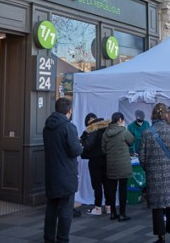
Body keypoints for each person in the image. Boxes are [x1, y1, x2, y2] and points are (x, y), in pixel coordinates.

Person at [139, 103, 170, 243]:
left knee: (157, 208)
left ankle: (161, 238)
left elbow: (142, 158)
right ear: (166, 114)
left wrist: (149, 168)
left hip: (153, 175)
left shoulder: (147, 133)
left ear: (153, 114)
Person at [43, 97, 83, 243]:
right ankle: (62, 239)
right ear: (69, 111)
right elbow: (75, 150)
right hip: (66, 174)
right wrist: (80, 145)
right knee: (66, 211)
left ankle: (48, 238)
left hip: (52, 173)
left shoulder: (47, 127)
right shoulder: (68, 127)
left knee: (51, 209)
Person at [102, 112, 135, 221]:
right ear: (120, 120)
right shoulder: (124, 131)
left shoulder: (106, 133)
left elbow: (103, 149)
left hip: (111, 165)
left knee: (112, 190)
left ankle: (113, 213)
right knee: (122, 190)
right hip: (123, 166)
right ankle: (122, 214)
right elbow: (132, 140)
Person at [80, 112, 110, 215]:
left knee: (97, 185)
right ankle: (108, 207)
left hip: (95, 160)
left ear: (89, 120)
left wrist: (82, 142)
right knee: (107, 184)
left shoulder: (91, 129)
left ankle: (98, 208)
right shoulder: (107, 126)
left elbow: (88, 144)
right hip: (107, 159)